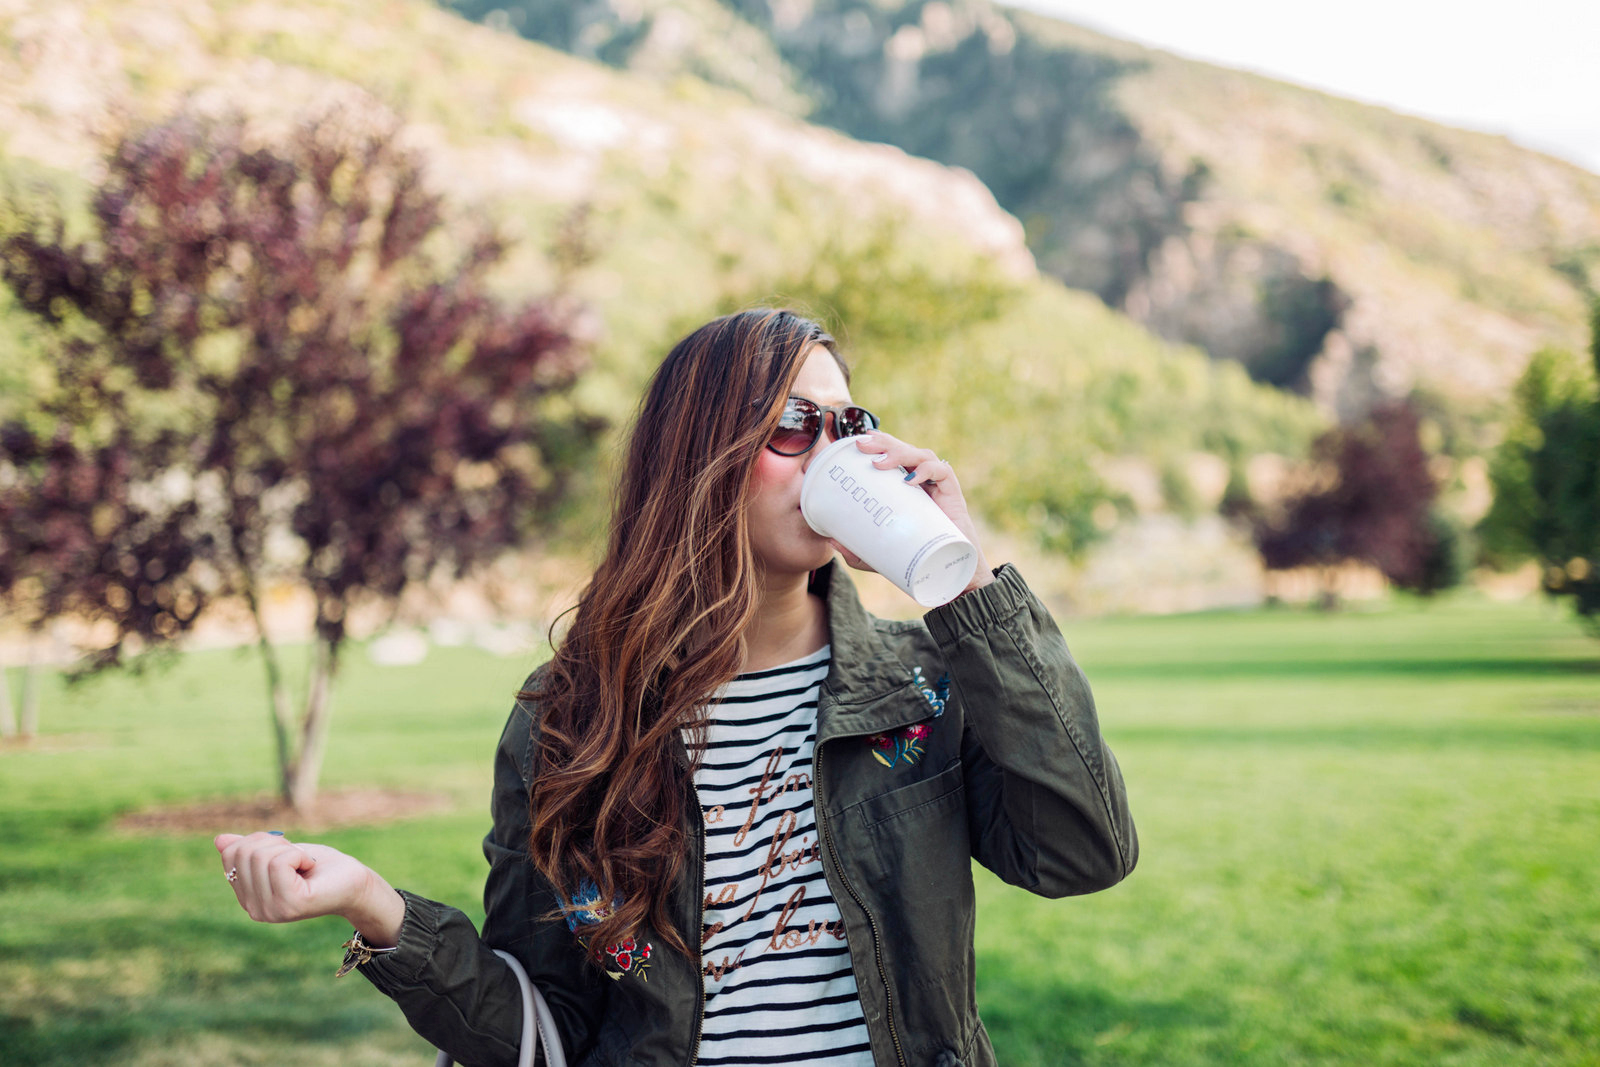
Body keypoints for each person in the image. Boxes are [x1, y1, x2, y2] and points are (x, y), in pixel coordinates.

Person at [215, 308, 1138, 1067]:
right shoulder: (572, 722)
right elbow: (543, 1033)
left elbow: (1082, 852)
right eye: (793, 425)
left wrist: (966, 586)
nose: (833, 455)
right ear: (700, 456)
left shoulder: (923, 684)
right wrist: (378, 909)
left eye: (849, 426)